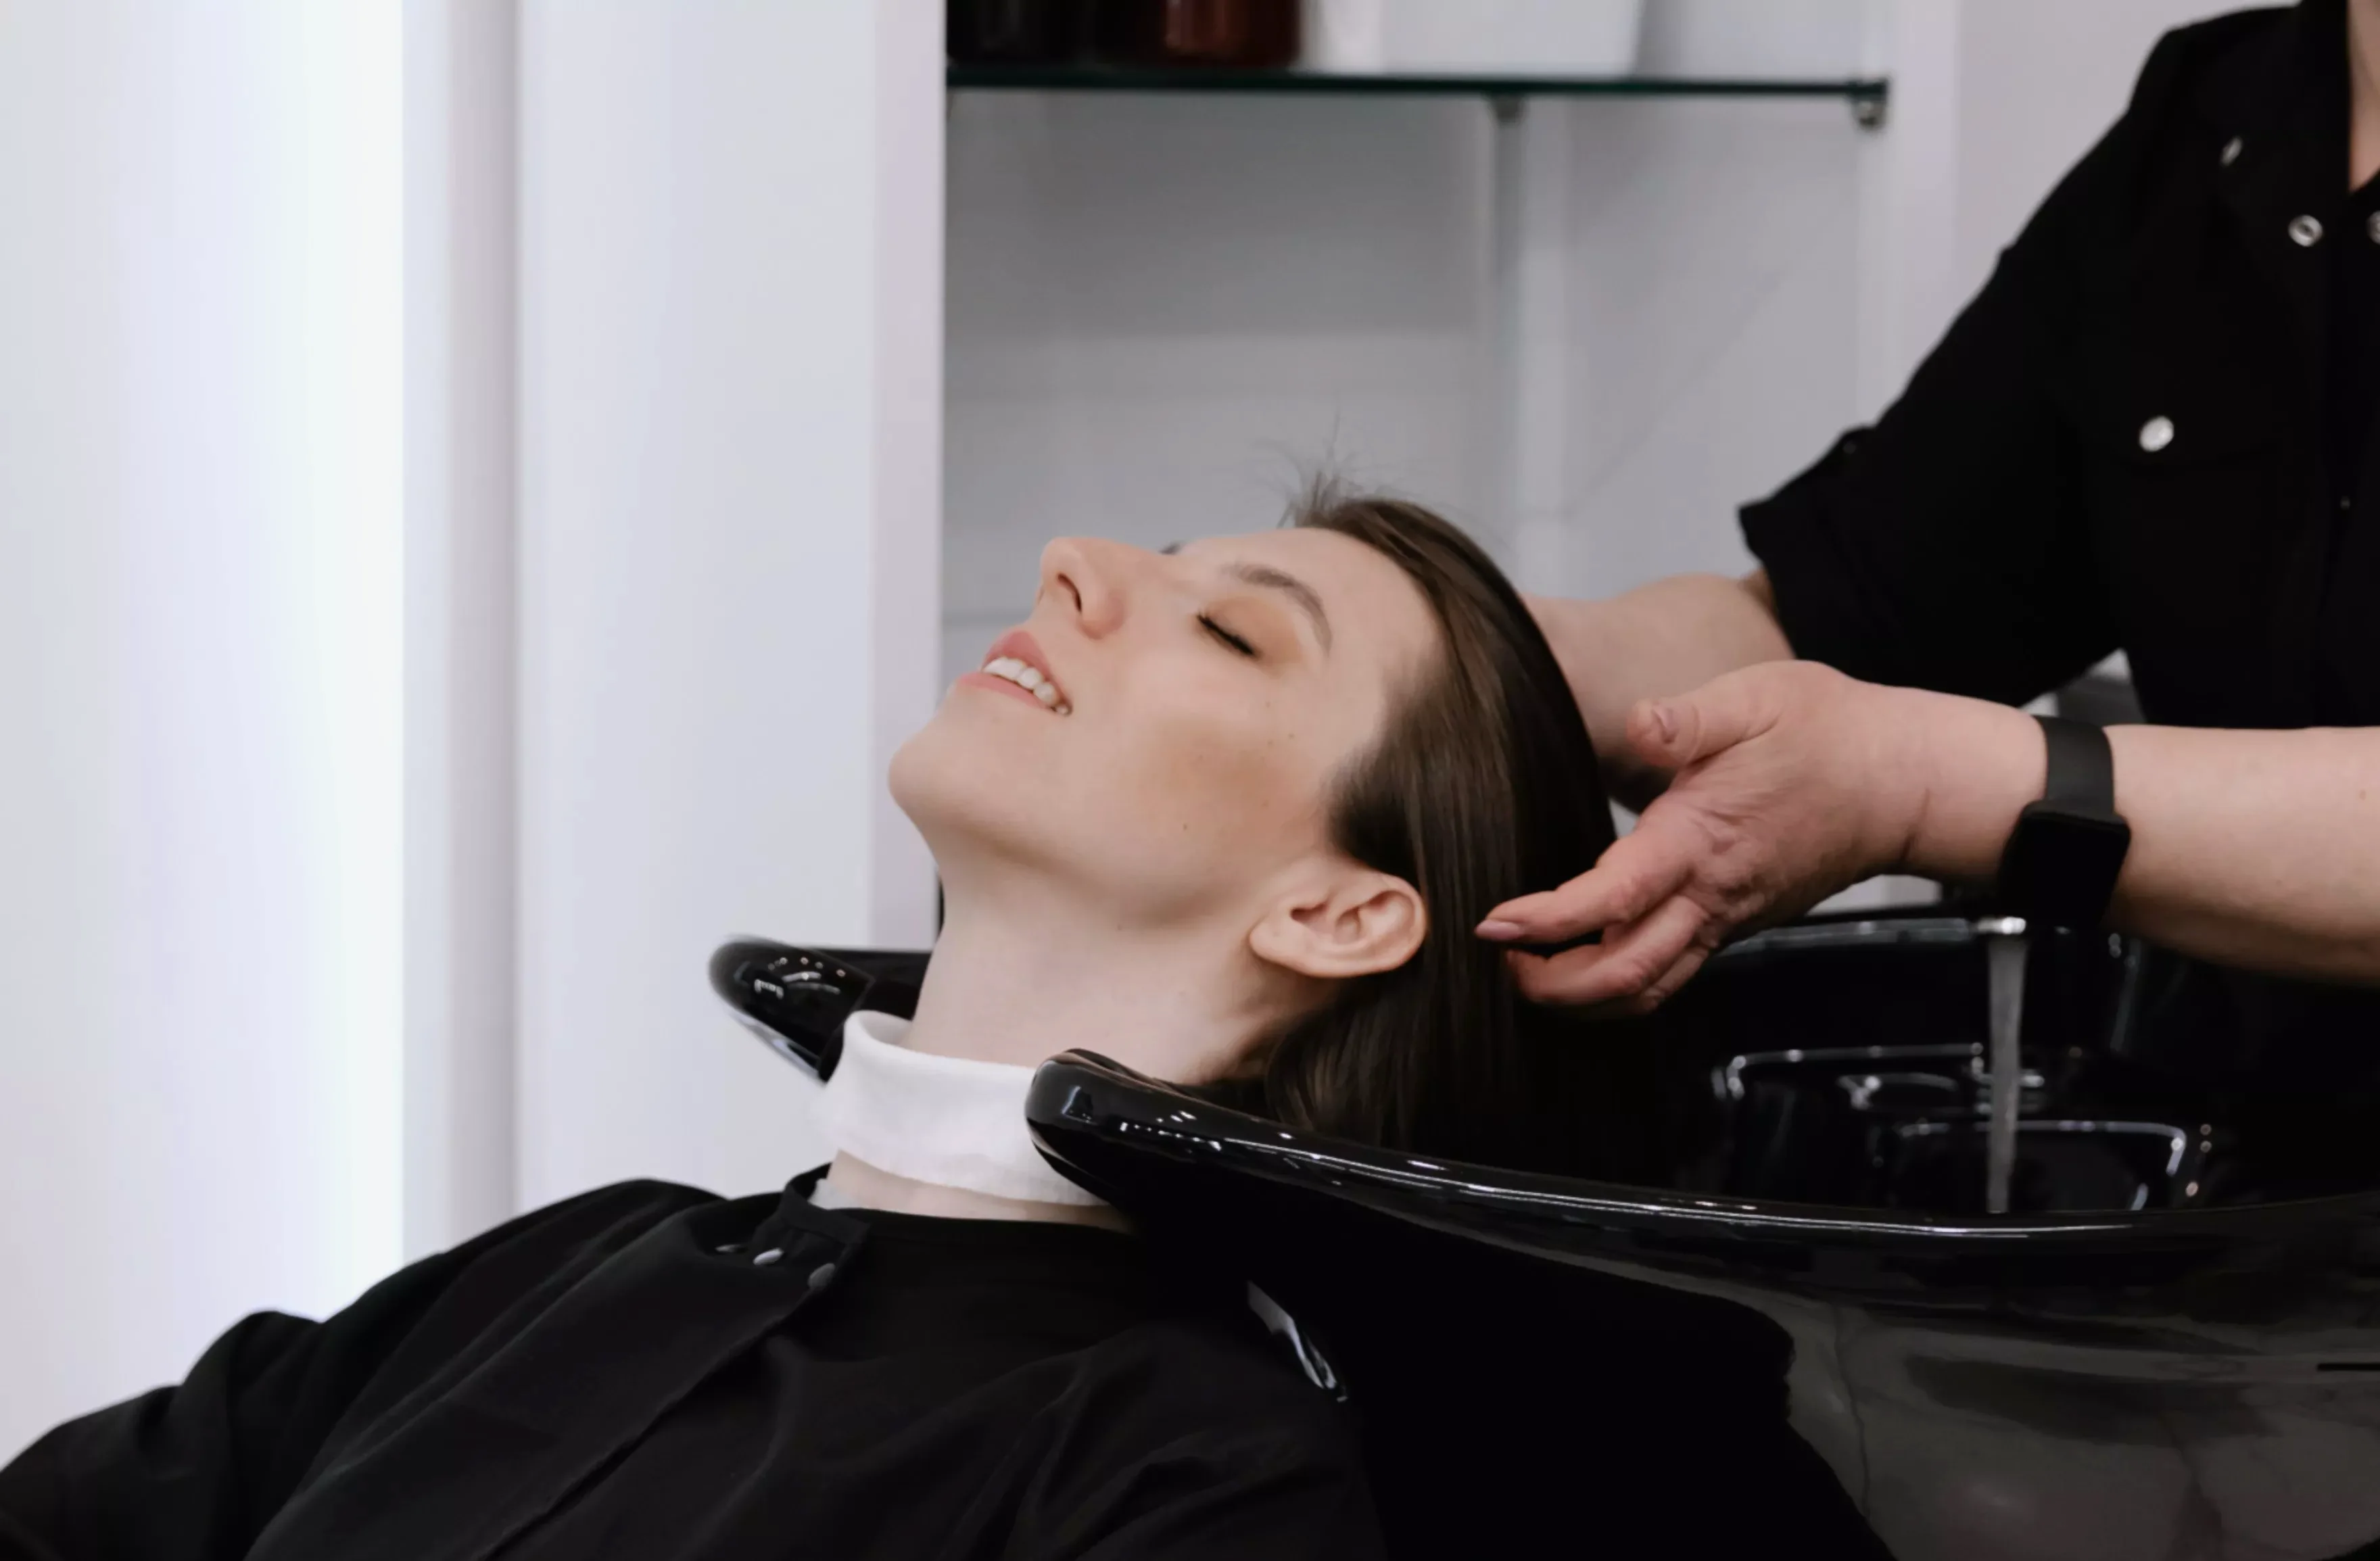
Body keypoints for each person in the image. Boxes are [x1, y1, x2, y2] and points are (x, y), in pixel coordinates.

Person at [0, 491, 1619, 1561]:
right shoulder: (590, 1258)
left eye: (1227, 628)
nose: (1078, 559)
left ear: (1336, 914)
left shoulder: (1191, 1474)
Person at [1483, 0, 2380, 1170]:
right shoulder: (2218, 118)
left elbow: (1885, 751)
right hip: (2247, 1187)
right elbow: (1828, 621)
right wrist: (1479, 657)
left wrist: (1919, 785)